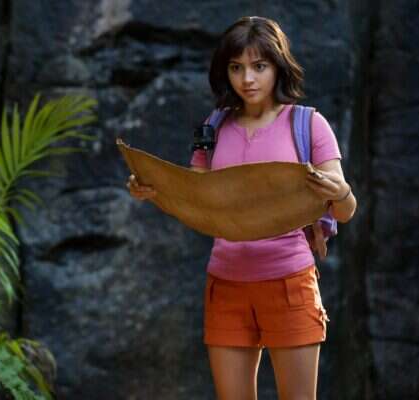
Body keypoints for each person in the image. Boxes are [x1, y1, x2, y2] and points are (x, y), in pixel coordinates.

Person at [125, 16, 357, 400]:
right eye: (236, 67)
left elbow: (345, 211)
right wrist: (154, 191)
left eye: (258, 66)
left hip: (288, 281)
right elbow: (197, 199)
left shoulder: (308, 124)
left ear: (278, 66)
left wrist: (342, 192)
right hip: (226, 284)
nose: (247, 79)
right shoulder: (215, 126)